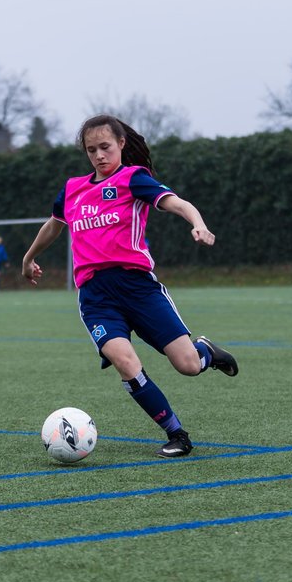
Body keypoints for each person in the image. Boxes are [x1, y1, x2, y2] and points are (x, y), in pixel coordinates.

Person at [21, 114, 238, 458]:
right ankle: (177, 433)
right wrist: (29, 256)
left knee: (187, 366)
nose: (99, 155)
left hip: (139, 289)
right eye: (91, 150)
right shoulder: (73, 189)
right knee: (125, 362)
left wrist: (198, 223)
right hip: (96, 297)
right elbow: (53, 225)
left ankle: (205, 352)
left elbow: (177, 203)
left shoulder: (133, 179)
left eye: (105, 147)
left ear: (121, 144)